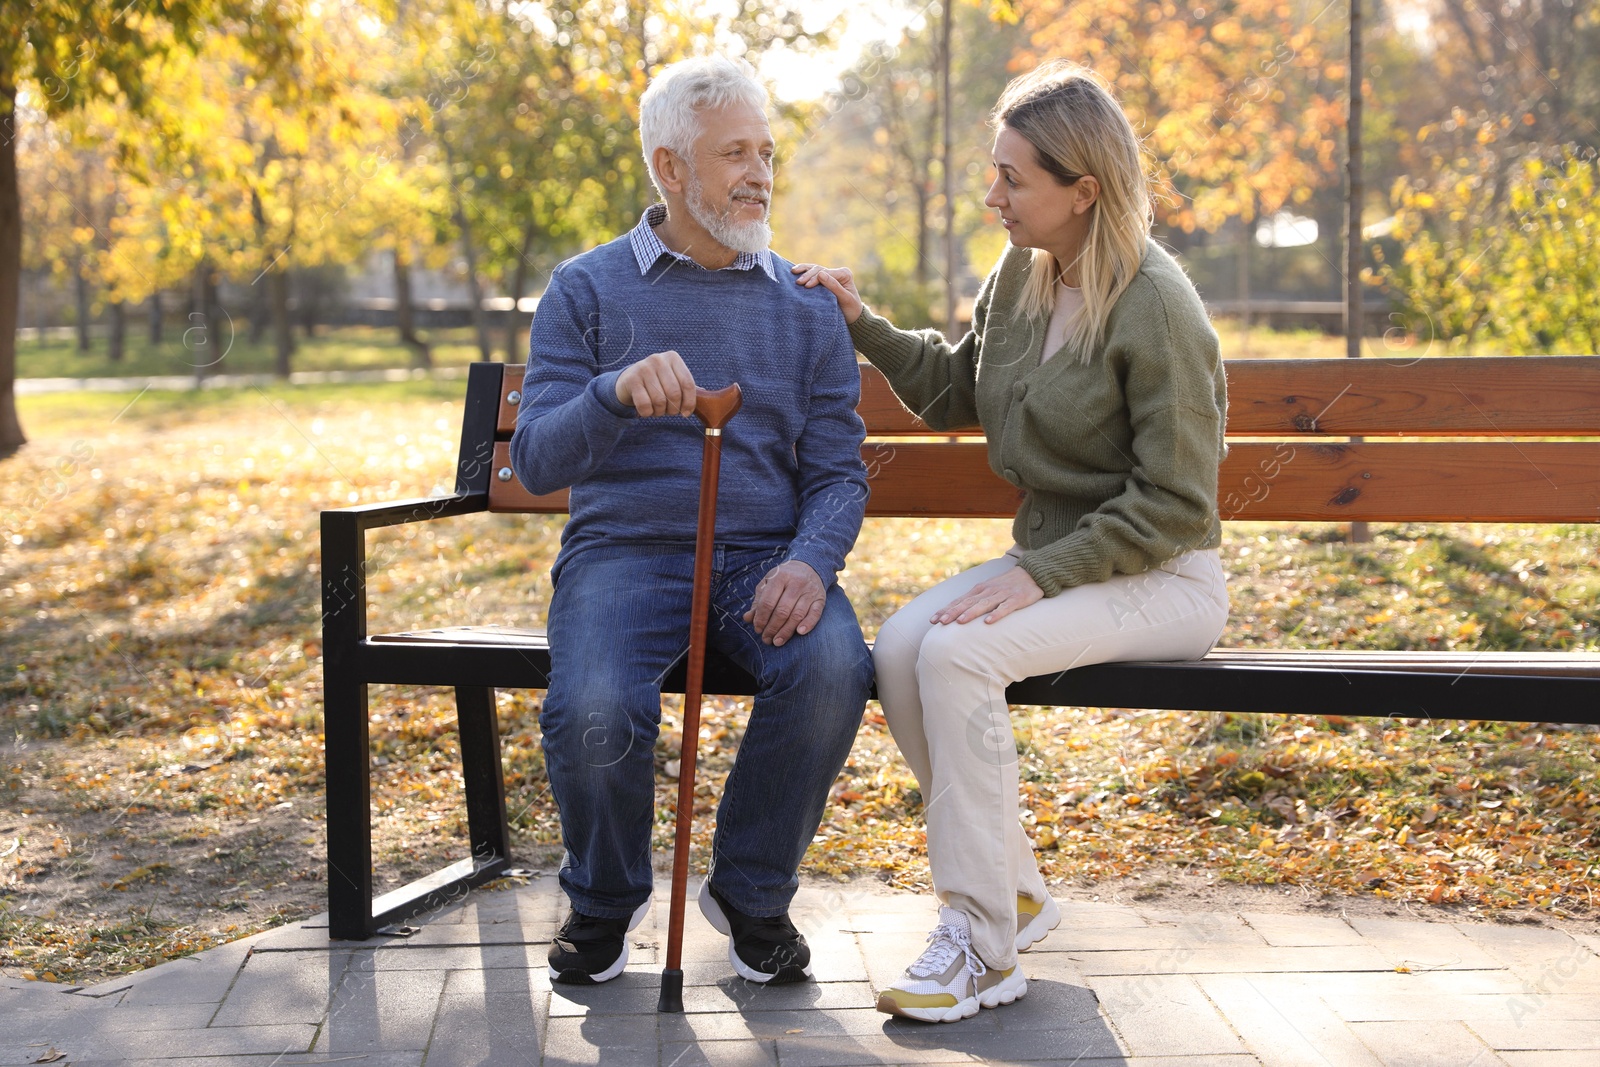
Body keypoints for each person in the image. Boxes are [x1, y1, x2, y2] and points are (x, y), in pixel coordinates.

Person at [793, 61, 1229, 1023]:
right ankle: (1016, 888)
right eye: (994, 173)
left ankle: (983, 942)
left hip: (1165, 577)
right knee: (903, 645)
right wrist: (863, 323)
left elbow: (1178, 502)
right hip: (1063, 567)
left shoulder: (1156, 306)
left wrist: (1039, 574)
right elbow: (956, 387)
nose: (993, 196)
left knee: (958, 652)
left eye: (1013, 179)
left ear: (1085, 191)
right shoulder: (1026, 277)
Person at [509, 55, 873, 987]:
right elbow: (539, 457)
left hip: (762, 560)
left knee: (833, 663)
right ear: (670, 169)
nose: (759, 174)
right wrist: (614, 393)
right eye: (734, 155)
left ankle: (752, 892)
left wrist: (812, 562)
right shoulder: (585, 290)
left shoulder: (806, 304)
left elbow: (838, 475)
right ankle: (602, 899)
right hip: (623, 556)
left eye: (767, 152)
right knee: (594, 704)